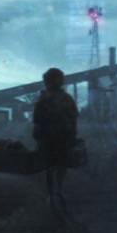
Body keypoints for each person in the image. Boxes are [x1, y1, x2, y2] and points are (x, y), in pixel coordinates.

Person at [31, 66, 78, 211]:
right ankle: (58, 191)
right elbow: (74, 118)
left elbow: (37, 120)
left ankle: (53, 194)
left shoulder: (43, 99)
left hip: (49, 139)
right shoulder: (66, 98)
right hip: (61, 138)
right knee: (59, 166)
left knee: (50, 167)